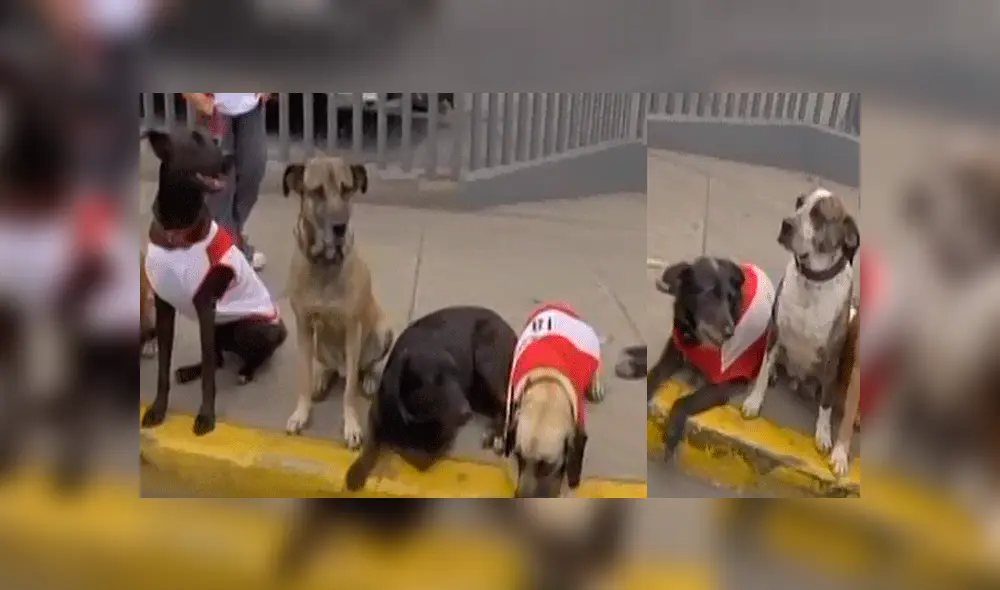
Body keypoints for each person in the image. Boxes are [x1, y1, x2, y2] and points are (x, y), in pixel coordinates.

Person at [182, 92, 271, 270]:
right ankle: (225, 255)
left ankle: (228, 242)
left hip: (250, 105)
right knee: (219, 186)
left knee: (253, 170)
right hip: (215, 107)